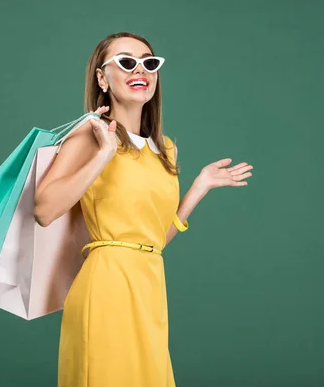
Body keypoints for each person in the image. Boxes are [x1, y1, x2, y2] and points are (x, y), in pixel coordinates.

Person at [33, 32, 253, 387]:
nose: (141, 70)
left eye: (149, 62)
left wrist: (198, 189)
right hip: (106, 285)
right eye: (126, 61)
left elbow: (151, 241)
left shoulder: (165, 150)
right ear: (102, 78)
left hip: (150, 285)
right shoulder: (89, 136)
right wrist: (104, 153)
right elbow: (44, 210)